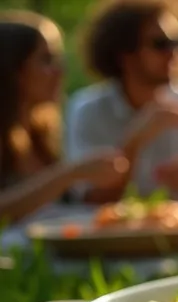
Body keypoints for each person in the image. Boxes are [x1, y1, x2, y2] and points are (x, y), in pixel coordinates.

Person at [67, 0, 178, 205]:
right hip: (113, 235)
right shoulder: (88, 110)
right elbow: (91, 198)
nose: (175, 53)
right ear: (124, 53)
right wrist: (135, 141)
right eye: (161, 44)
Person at [0, 11, 127, 224]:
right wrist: (69, 174)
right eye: (47, 60)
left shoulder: (42, 134)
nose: (60, 71)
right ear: (13, 69)